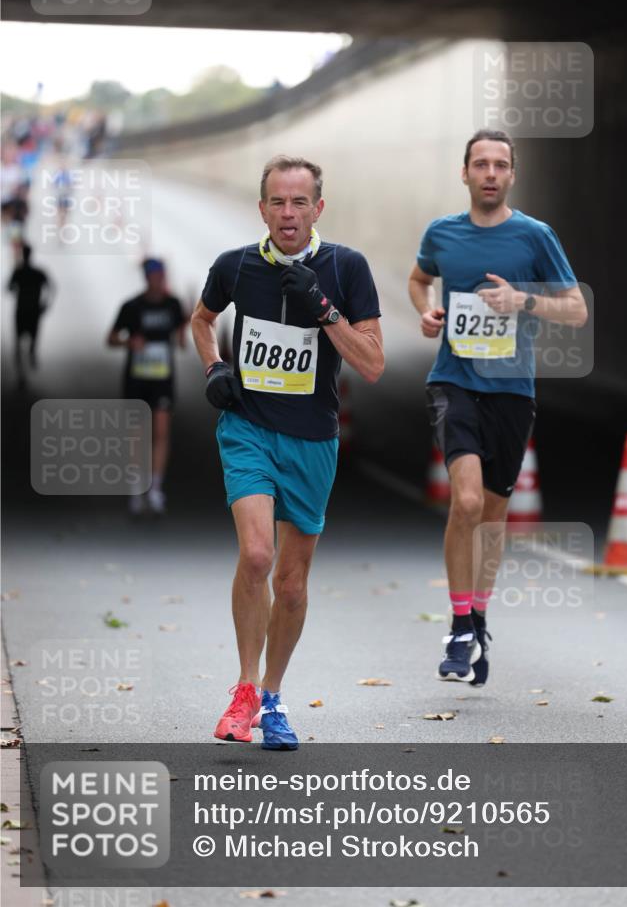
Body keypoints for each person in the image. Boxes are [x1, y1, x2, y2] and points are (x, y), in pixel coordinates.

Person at [191, 155, 384, 750]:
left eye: (300, 202)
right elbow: (200, 321)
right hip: (247, 427)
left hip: (312, 440)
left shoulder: (346, 268)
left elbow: (373, 363)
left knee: (293, 583)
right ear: (263, 209)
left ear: (318, 209)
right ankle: (244, 691)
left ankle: (272, 697)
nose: (288, 213)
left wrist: (324, 310)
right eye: (278, 201)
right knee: (256, 555)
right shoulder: (236, 265)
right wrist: (215, 367)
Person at [408, 129, 587, 686]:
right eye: (480, 164)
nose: (490, 173)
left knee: (492, 515)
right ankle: (460, 626)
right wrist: (428, 310)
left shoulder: (535, 236)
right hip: (454, 381)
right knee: (463, 502)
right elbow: (419, 281)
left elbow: (576, 309)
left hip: (512, 391)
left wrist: (522, 300)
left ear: (512, 174)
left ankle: (478, 613)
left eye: (500, 165)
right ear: (464, 173)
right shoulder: (442, 233)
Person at [107, 258, 187, 515]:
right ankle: (135, 486)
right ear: (147, 277)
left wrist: (183, 335)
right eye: (154, 275)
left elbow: (182, 328)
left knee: (161, 432)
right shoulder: (132, 307)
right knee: (137, 435)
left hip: (162, 378)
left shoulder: (173, 305)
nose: (158, 280)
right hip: (136, 379)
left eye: (162, 275)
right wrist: (129, 343)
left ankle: (155, 488)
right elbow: (110, 338)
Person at [8, 242, 53, 383]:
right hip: (34, 310)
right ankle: (31, 356)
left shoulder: (18, 271)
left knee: (18, 341)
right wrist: (46, 304)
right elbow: (51, 288)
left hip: (21, 310)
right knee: (33, 337)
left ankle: (21, 372)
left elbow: (9, 288)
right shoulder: (38, 272)